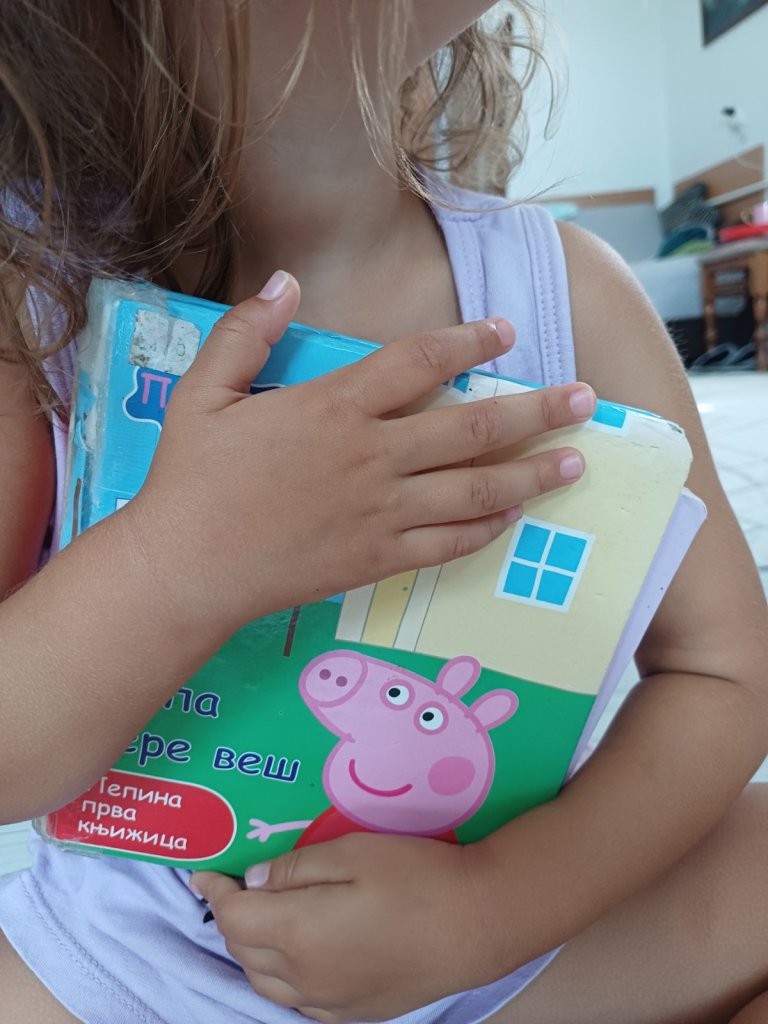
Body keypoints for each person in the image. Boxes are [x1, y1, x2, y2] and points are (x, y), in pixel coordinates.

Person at [0, 2, 767, 1023]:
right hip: (123, 967)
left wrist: (495, 905)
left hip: (514, 947)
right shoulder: (34, 303)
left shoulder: (567, 290)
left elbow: (725, 671)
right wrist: (177, 561)